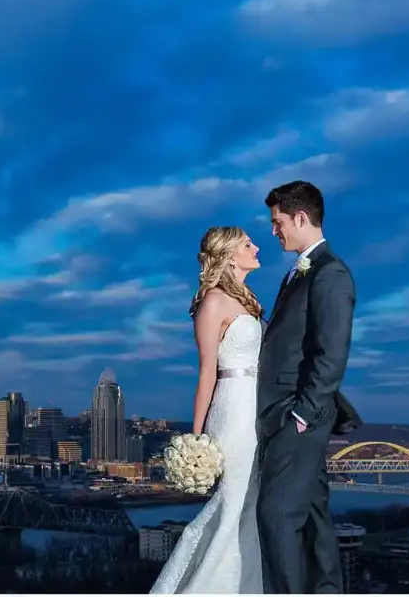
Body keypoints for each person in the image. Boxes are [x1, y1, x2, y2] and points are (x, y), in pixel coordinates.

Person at [256, 180, 362, 594]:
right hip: (290, 412)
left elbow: (331, 352)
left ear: (301, 217)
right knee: (314, 516)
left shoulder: (330, 272)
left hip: (297, 415)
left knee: (277, 515)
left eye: (277, 221)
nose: (273, 230)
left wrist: (302, 414)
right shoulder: (302, 270)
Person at [150, 225, 265, 594]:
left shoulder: (248, 299)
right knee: (234, 503)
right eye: (248, 244)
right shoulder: (213, 302)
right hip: (233, 411)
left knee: (252, 503)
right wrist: (197, 437)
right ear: (229, 254)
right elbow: (206, 372)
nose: (257, 247)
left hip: (257, 408)